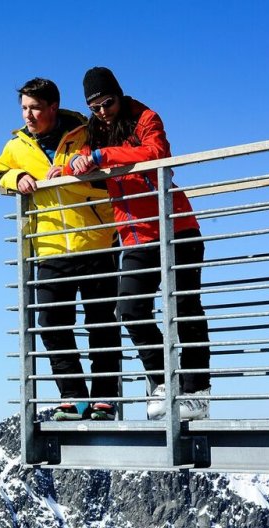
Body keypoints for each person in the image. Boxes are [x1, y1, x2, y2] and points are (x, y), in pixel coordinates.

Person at [69, 67, 211, 420]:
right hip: (134, 236)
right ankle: (163, 380)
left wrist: (102, 157)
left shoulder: (145, 117)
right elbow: (80, 159)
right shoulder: (94, 131)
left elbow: (156, 153)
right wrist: (71, 165)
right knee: (130, 309)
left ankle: (197, 392)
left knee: (185, 307)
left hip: (176, 227)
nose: (103, 111)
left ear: (119, 95)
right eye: (94, 107)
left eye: (108, 102)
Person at [0, 77, 122, 421]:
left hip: (96, 239)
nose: (28, 115)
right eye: (24, 108)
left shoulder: (88, 131)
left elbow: (115, 169)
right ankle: (74, 397)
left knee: (101, 322)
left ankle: (106, 398)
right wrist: (17, 178)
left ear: (53, 106)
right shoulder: (16, 145)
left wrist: (80, 169)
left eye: (35, 108)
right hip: (49, 246)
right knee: (50, 322)